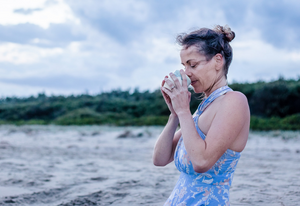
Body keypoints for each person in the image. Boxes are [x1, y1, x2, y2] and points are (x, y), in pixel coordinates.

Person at [153, 25, 250, 205]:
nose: (187, 73)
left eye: (193, 64)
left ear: (218, 61)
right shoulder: (202, 109)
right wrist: (174, 114)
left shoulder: (234, 101)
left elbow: (202, 161)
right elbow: (160, 159)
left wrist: (183, 111)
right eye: (184, 65)